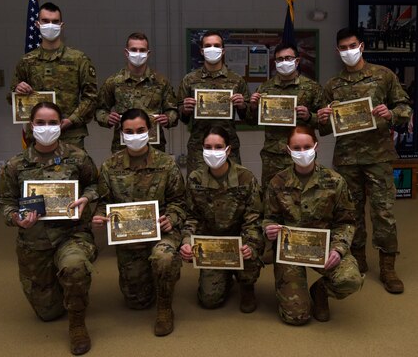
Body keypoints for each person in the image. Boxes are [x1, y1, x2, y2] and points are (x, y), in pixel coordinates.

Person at [0, 102, 99, 355]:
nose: (46, 128)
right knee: (48, 313)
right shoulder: (15, 165)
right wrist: (17, 219)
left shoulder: (77, 157)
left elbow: (95, 185)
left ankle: (77, 324)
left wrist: (86, 198)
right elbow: (6, 204)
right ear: (31, 127)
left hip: (71, 234)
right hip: (34, 241)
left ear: (61, 125)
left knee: (74, 267)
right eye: (40, 123)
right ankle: (59, 288)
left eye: (52, 123)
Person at [317, 28, 412, 294]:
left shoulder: (383, 76)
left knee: (383, 212)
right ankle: (357, 258)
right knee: (351, 212)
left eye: (352, 45)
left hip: (378, 156)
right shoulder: (333, 85)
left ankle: (388, 266)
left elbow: (405, 109)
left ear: (362, 46)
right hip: (347, 158)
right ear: (338, 51)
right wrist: (322, 118)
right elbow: (324, 128)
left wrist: (390, 113)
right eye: (343, 47)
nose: (348, 51)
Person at [92, 108, 186, 336]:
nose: (135, 135)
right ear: (122, 134)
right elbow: (104, 202)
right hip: (129, 237)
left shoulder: (166, 164)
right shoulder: (109, 166)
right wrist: (100, 216)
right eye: (129, 131)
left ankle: (165, 307)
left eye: (141, 130)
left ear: (150, 131)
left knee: (164, 259)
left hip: (161, 231)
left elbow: (179, 201)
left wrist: (171, 218)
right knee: (136, 301)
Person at [263, 125, 363, 325]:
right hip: (289, 250)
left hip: (323, 247)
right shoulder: (277, 182)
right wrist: (269, 228)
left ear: (316, 147)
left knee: (350, 279)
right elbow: (269, 217)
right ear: (288, 150)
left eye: (307, 146)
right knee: (296, 317)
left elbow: (346, 222)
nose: (302, 152)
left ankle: (320, 291)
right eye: (297, 148)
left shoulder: (335, 181)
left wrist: (339, 249)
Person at [180, 126, 264, 313]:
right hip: (212, 244)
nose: (213, 152)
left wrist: (250, 244)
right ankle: (224, 276)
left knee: (250, 255)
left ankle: (246, 284)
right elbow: (191, 217)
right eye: (208, 147)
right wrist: (186, 242)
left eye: (218, 147)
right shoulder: (195, 178)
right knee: (209, 300)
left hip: (240, 240)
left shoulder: (245, 177)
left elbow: (254, 218)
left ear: (228, 150)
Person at [9, 2, 98, 149]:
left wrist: (71, 120)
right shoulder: (27, 61)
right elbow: (11, 97)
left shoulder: (78, 59)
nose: (50, 25)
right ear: (37, 24)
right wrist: (18, 90)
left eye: (55, 21)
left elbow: (91, 97)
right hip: (38, 135)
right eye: (45, 21)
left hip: (70, 135)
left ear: (61, 26)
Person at [250, 42, 322, 192]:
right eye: (280, 59)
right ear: (275, 62)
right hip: (272, 156)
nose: (284, 62)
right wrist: (254, 107)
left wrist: (309, 117)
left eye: (288, 58)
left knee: (304, 195)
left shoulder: (312, 88)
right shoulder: (265, 88)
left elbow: (325, 123)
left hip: (301, 154)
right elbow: (251, 121)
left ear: (297, 61)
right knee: (271, 196)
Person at [177, 30, 250, 175]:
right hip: (199, 146)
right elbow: (182, 117)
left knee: (233, 188)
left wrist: (242, 105)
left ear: (223, 51)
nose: (212, 48)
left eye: (216, 45)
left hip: (228, 146)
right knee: (197, 187)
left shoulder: (236, 80)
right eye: (208, 45)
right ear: (202, 51)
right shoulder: (189, 80)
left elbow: (248, 116)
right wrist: (185, 109)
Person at [95, 32, 178, 153]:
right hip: (122, 147)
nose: (138, 53)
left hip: (154, 147)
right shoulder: (114, 81)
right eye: (134, 49)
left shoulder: (161, 81)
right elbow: (99, 109)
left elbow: (173, 109)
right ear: (126, 52)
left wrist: (168, 118)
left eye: (142, 50)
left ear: (148, 53)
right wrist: (107, 118)